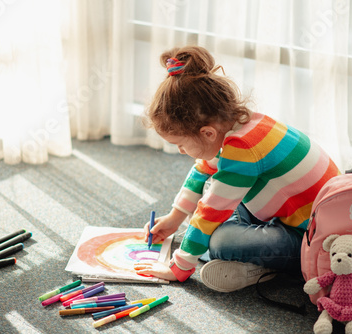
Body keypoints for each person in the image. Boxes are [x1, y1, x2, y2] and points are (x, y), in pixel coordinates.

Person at [133, 45, 340, 292]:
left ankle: (262, 268)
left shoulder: (243, 148)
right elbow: (203, 170)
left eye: (180, 145)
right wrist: (174, 219)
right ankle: (246, 258)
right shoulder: (242, 122)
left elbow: (211, 210)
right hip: (287, 214)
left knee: (221, 242)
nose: (180, 151)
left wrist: (178, 268)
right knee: (212, 191)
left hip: (312, 240)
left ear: (207, 133)